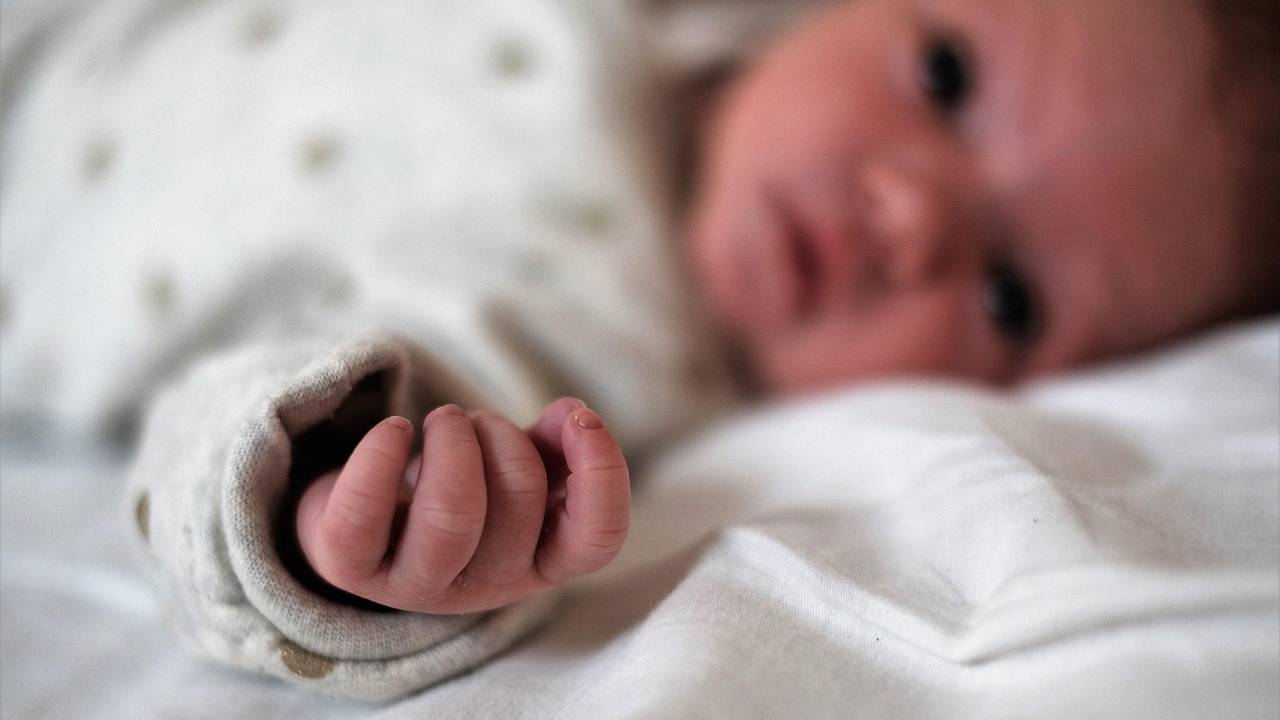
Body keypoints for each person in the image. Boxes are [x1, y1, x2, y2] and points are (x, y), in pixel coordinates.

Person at [2, 0, 1273, 702]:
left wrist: (340, 532)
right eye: (942, 76)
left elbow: (239, 429)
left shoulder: (583, 360)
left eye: (1007, 297)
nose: (907, 217)